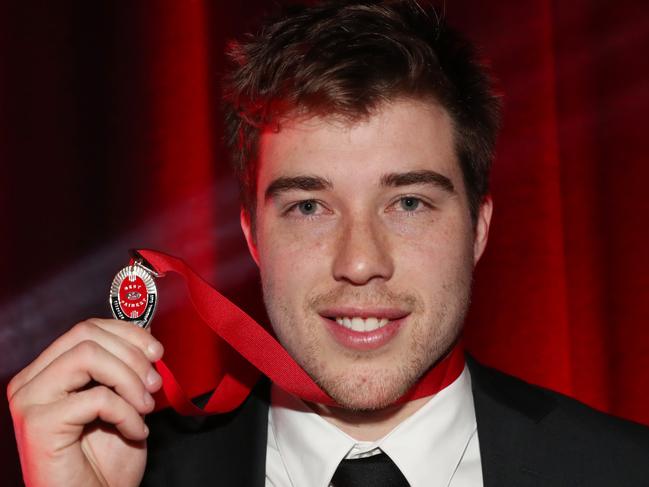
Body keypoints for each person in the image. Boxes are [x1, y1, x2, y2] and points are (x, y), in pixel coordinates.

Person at [8, 1, 649, 486]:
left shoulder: (623, 469)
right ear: (252, 236)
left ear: (479, 228)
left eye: (408, 203)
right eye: (310, 207)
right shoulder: (132, 471)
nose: (360, 261)